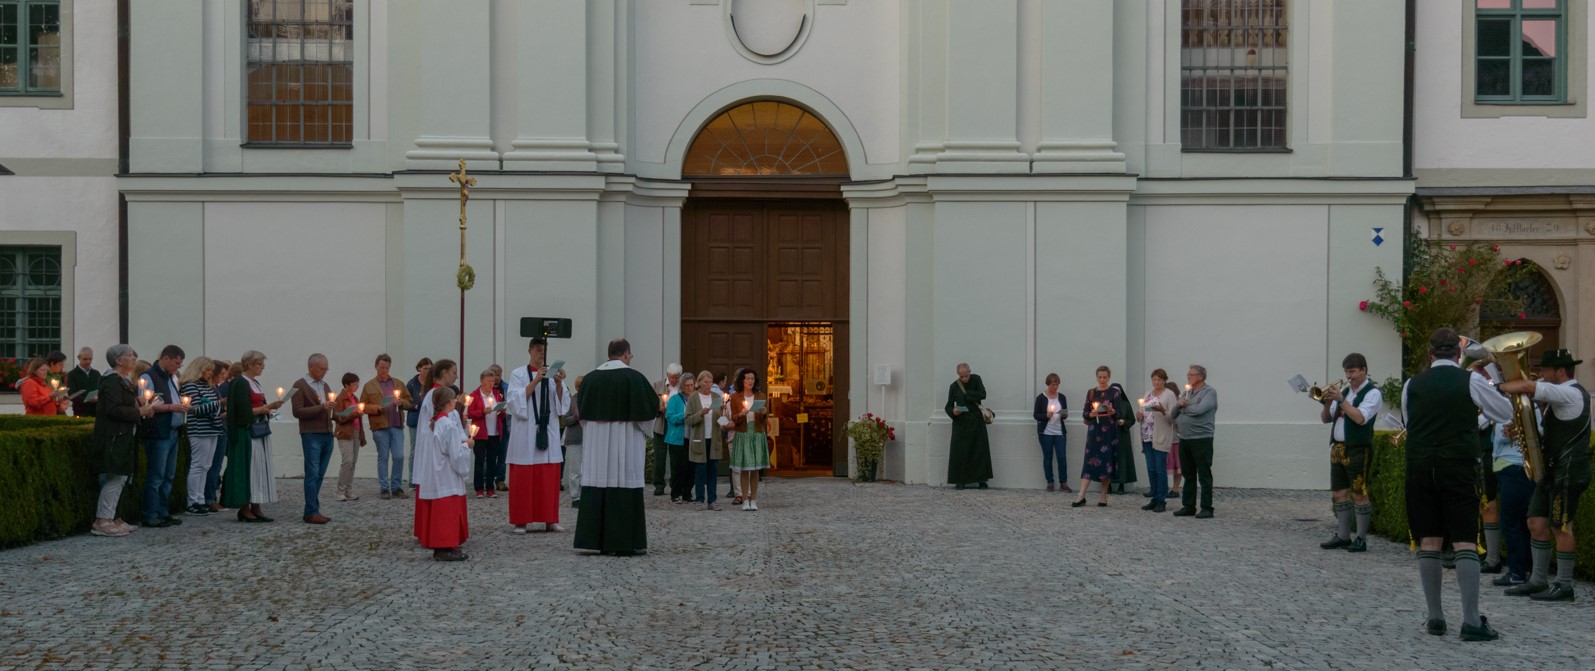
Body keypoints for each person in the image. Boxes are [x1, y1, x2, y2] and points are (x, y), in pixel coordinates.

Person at [1403, 328, 1514, 640]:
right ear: (1458, 354)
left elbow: (1411, 424)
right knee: (1465, 541)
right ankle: (1470, 621)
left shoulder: (1413, 383)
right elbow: (1504, 412)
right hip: (1458, 465)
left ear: (1430, 354)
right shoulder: (1472, 380)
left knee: (1429, 541)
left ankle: (1435, 618)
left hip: (1420, 466)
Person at [1499, 348, 1589, 603]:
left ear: (1561, 371)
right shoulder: (1560, 398)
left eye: (1547, 369)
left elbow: (1527, 385)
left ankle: (1564, 584)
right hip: (1553, 470)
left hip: (1569, 470)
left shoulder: (1570, 392)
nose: (1542, 374)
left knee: (1561, 526)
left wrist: (1500, 385)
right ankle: (1538, 580)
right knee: (1535, 523)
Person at [574, 338, 659, 556]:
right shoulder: (635, 378)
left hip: (597, 447)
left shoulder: (590, 379)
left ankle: (593, 540)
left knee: (598, 481)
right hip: (626, 445)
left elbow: (582, 416)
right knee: (623, 481)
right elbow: (648, 414)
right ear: (627, 354)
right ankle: (623, 542)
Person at [1317, 353, 1383, 553]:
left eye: (1353, 371)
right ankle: (1343, 535)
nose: (1349, 375)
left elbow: (1360, 418)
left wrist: (1341, 399)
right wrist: (1328, 403)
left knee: (1359, 493)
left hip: (1358, 449)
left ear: (1364, 370)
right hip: (1337, 447)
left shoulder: (1372, 393)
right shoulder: (1346, 391)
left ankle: (1361, 538)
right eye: (1347, 371)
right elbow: (1325, 419)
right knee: (1339, 493)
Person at [88, 345, 156, 537]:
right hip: (113, 436)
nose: (134, 358)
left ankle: (114, 516)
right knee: (115, 477)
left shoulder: (123, 381)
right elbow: (113, 409)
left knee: (122, 477)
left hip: (124, 434)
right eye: (129, 355)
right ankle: (102, 519)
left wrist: (142, 408)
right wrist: (138, 411)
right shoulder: (111, 381)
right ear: (118, 360)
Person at [506, 339, 569, 533]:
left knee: (548, 479)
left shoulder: (552, 375)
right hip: (525, 433)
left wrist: (558, 385)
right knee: (524, 481)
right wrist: (535, 380)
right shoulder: (518, 374)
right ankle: (521, 520)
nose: (541, 354)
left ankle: (550, 519)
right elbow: (514, 402)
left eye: (544, 350)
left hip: (547, 431)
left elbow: (562, 406)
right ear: (530, 351)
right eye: (538, 350)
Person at [222, 350, 287, 523]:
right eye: (260, 364)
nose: (262, 367)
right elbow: (242, 412)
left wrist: (268, 408)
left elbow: (258, 406)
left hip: (259, 430)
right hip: (246, 432)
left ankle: (256, 505)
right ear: (250, 364)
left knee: (258, 468)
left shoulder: (255, 383)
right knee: (248, 468)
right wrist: (265, 408)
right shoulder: (240, 383)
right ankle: (244, 507)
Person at [417, 387, 473, 561]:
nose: (456, 402)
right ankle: (445, 547)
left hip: (436, 472)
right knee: (446, 511)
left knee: (442, 510)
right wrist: (467, 445)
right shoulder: (448, 425)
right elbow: (455, 454)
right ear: (449, 402)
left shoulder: (435, 422)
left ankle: (445, 545)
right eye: (454, 399)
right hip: (446, 474)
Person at [140, 345, 189, 528]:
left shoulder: (171, 378)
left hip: (174, 431)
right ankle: (150, 513)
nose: (178, 367)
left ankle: (163, 511)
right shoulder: (148, 377)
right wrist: (171, 407)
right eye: (176, 363)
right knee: (156, 476)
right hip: (158, 432)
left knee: (168, 475)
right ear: (165, 358)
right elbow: (147, 404)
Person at [1488, 416, 1536, 589]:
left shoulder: (1514, 410)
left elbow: (1501, 436)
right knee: (1521, 523)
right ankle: (1526, 569)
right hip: (1511, 468)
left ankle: (1517, 573)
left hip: (1513, 467)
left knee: (1511, 524)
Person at [413, 359, 459, 537]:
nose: (456, 376)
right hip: (436, 452)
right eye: (454, 372)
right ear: (444, 372)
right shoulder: (435, 395)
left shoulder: (435, 393)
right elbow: (441, 422)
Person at [290, 354, 338, 525]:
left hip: (326, 433)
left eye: (326, 369)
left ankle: (311, 509)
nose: (325, 372)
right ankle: (311, 511)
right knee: (312, 473)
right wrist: (321, 407)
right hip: (311, 434)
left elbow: (328, 410)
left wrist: (340, 414)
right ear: (311, 367)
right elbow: (297, 412)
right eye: (322, 369)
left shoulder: (325, 386)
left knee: (320, 474)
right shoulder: (300, 385)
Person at [360, 354, 414, 500]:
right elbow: (362, 406)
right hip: (379, 426)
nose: (384, 370)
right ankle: (384, 488)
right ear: (376, 367)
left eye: (386, 367)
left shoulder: (398, 383)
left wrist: (401, 402)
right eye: (381, 367)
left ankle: (396, 486)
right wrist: (376, 408)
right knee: (383, 457)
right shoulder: (369, 386)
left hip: (396, 425)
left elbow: (410, 402)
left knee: (399, 456)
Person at [179, 357, 227, 516]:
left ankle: (200, 498)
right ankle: (192, 501)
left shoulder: (207, 386)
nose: (210, 374)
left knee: (206, 466)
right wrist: (221, 403)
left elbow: (212, 407)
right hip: (199, 429)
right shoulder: (189, 386)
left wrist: (218, 406)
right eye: (208, 370)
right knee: (197, 465)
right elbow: (195, 409)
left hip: (213, 428)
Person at [1172, 365, 1219, 519]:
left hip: (1201, 439)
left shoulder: (1209, 392)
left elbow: (1200, 410)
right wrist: (1179, 406)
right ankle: (1188, 505)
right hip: (1185, 438)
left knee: (1204, 473)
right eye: (1188, 374)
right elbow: (1173, 413)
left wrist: (1183, 407)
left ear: (1200, 376)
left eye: (1191, 374)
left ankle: (1207, 507)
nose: (1188, 376)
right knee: (1188, 473)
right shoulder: (1187, 393)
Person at [1074, 366, 1126, 507]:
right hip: (1094, 431)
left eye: (1105, 377)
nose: (1102, 380)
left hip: (1109, 432)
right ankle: (1081, 495)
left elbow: (1120, 414)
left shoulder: (1114, 393)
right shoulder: (1091, 393)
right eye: (1100, 377)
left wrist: (1112, 410)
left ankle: (1103, 496)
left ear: (1109, 377)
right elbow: (1085, 412)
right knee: (1089, 462)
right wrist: (1090, 414)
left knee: (1106, 463)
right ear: (1096, 377)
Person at [945, 363, 993, 490]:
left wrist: (968, 395)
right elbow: (948, 406)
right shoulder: (954, 386)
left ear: (970, 372)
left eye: (966, 375)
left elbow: (983, 394)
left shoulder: (976, 379)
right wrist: (953, 412)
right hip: (961, 422)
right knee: (960, 452)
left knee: (979, 451)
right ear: (958, 375)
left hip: (976, 421)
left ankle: (981, 479)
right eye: (962, 377)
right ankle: (960, 480)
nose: (965, 378)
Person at [728, 367, 771, 511]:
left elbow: (765, 418)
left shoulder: (760, 395)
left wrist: (764, 413)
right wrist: (740, 414)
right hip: (743, 433)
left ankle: (754, 499)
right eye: (747, 379)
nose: (750, 381)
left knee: (755, 469)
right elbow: (733, 418)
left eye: (752, 379)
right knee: (744, 469)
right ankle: (745, 499)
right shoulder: (735, 397)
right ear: (742, 381)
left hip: (757, 433)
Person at [1137, 369, 1178, 512]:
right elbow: (1144, 411)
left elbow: (1173, 417)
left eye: (1159, 380)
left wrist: (1162, 410)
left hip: (1160, 436)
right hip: (1147, 436)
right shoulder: (1148, 393)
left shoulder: (1169, 395)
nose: (1156, 382)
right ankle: (1154, 497)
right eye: (1154, 379)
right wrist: (1139, 416)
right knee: (1151, 468)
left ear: (1165, 380)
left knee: (1160, 469)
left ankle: (1161, 499)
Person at [205, 360, 242, 511]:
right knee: (212, 466)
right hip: (216, 428)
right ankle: (209, 498)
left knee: (215, 465)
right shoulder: (218, 388)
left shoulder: (216, 388)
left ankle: (211, 497)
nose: (224, 376)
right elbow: (213, 409)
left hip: (220, 428)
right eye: (221, 373)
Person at [686, 369, 724, 511]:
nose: (709, 384)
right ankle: (700, 499)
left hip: (713, 439)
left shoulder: (716, 396)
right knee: (700, 470)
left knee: (713, 470)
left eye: (710, 381)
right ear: (699, 383)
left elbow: (721, 420)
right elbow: (688, 419)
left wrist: (723, 413)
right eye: (706, 382)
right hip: (699, 440)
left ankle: (712, 500)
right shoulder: (693, 398)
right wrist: (700, 413)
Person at [465, 369, 506, 498]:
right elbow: (470, 413)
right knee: (479, 461)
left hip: (494, 432)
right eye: (488, 381)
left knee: (492, 461)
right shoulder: (475, 395)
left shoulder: (497, 394)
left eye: (493, 381)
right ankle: (478, 488)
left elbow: (501, 416)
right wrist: (482, 411)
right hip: (480, 433)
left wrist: (502, 410)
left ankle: (490, 488)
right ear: (482, 381)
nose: (491, 383)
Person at [1031, 373, 1071, 492]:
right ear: (1048, 384)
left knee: (1062, 457)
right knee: (1048, 457)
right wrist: (1046, 415)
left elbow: (1064, 413)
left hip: (1059, 432)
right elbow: (1036, 415)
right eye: (1053, 384)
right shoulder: (1041, 398)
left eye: (1057, 384)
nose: (1055, 387)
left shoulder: (1062, 397)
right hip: (1046, 432)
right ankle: (1050, 482)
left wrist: (1064, 415)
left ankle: (1063, 482)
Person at [332, 372, 366, 503]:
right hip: (345, 433)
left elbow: (358, 418)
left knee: (353, 463)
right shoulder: (340, 399)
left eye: (358, 383)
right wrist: (354, 415)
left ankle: (348, 490)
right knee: (347, 461)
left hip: (356, 432)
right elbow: (339, 417)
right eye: (354, 384)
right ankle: (340, 491)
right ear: (347, 385)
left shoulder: (355, 398)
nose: (357, 385)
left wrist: (362, 434)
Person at [651, 363, 684, 496]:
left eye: (677, 377)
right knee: (660, 457)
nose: (674, 380)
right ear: (667, 375)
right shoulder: (658, 385)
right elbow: (651, 404)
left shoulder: (682, 388)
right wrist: (659, 409)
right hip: (662, 425)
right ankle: (659, 485)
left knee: (676, 458)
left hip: (677, 426)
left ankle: (675, 484)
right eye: (672, 377)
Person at [665, 373, 697, 504]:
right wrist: (684, 415)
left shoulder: (696, 399)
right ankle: (675, 493)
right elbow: (670, 417)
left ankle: (687, 493)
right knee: (678, 467)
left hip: (693, 438)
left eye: (691, 385)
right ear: (682, 386)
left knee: (691, 467)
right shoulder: (675, 399)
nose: (689, 388)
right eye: (687, 385)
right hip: (677, 439)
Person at [405, 357, 433, 490]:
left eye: (429, 368)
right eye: (425, 368)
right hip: (415, 420)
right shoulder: (412, 384)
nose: (427, 371)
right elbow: (406, 402)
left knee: (428, 449)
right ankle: (412, 479)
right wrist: (416, 406)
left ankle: (425, 477)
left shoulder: (433, 383)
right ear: (419, 369)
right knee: (414, 450)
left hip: (429, 420)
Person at [1110, 381, 1138, 494]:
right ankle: (1107, 486)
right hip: (1109, 436)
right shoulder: (1107, 403)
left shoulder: (1125, 404)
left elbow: (1132, 419)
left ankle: (1121, 485)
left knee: (1123, 460)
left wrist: (1124, 422)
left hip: (1122, 435)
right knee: (1109, 460)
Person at [562, 375, 586, 509]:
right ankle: (575, 496)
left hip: (588, 439)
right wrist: (575, 418)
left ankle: (585, 494)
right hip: (575, 437)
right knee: (575, 469)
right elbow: (565, 420)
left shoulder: (590, 400)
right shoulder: (571, 400)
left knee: (586, 469)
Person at [489, 362, 511, 492]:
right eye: (493, 375)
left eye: (498, 374)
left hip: (504, 423)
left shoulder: (506, 388)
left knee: (503, 453)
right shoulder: (486, 388)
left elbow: (512, 403)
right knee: (490, 454)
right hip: (489, 424)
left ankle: (501, 480)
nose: (496, 377)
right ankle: (489, 479)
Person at [67, 347, 101, 417]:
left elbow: (101, 389)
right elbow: (72, 394)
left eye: (90, 359)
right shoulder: (72, 374)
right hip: (80, 410)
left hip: (96, 410)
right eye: (85, 359)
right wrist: (86, 399)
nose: (88, 361)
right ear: (79, 358)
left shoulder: (96, 374)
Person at [1164, 379, 1183, 499]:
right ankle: (1163, 487)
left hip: (1176, 438)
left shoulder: (1179, 404)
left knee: (1178, 466)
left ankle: (1175, 488)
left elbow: (1178, 420)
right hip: (1164, 438)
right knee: (1162, 466)